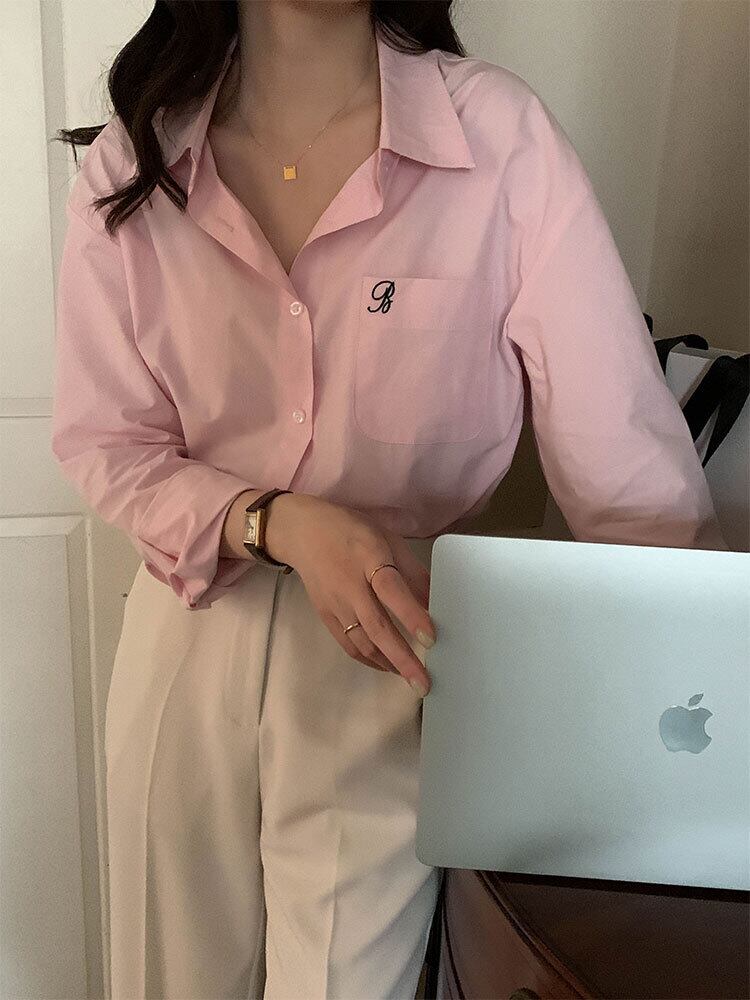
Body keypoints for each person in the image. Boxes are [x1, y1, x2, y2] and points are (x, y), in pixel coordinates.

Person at [50, 1, 728, 998]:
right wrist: (277, 521)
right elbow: (109, 441)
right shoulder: (134, 160)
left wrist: (700, 703)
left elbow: (625, 464)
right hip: (187, 641)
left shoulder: (499, 140)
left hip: (390, 658)